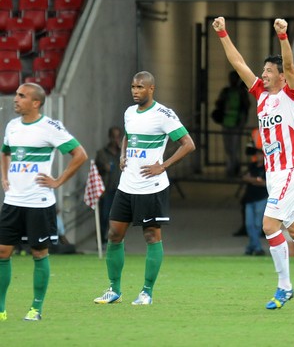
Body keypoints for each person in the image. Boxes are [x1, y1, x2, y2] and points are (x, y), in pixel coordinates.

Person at [213, 16, 294, 310]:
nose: (264, 74)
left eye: (270, 70)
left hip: (292, 171)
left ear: (282, 75)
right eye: (264, 70)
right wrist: (223, 33)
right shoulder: (260, 95)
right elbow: (239, 64)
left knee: (268, 223)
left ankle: (284, 286)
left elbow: (291, 66)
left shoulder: (292, 93)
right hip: (274, 175)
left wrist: (283, 38)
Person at [93, 71, 195, 306]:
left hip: (152, 186)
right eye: (132, 87)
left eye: (140, 87)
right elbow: (128, 136)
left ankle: (146, 292)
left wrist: (164, 165)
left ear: (151, 89)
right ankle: (114, 289)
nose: (135, 91)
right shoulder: (129, 112)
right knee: (114, 234)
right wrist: (121, 153)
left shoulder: (164, 114)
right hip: (127, 185)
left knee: (151, 236)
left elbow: (188, 144)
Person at [0, 82, 88, 321]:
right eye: (16, 95)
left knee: (39, 253)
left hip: (38, 203)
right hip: (13, 201)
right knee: (2, 251)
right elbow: (5, 151)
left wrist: (59, 181)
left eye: (21, 96)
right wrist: (4, 177)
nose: (15, 99)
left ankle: (36, 308)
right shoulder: (12, 126)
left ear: (36, 102)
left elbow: (80, 154)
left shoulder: (51, 127)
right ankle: (1, 310)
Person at [215, 70, 250, 177]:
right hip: (226, 122)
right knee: (228, 147)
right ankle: (231, 167)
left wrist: (242, 121)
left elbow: (246, 106)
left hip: (236, 123)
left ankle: (234, 168)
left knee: (234, 147)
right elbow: (218, 103)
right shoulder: (226, 91)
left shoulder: (241, 92)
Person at [95, 126, 122, 243]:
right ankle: (101, 240)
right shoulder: (102, 153)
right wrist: (103, 167)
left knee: (120, 217)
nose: (115, 140)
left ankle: (117, 240)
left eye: (117, 137)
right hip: (106, 190)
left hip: (120, 190)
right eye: (113, 137)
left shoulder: (123, 152)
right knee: (104, 216)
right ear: (109, 137)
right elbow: (96, 171)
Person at [241, 143, 267, 256]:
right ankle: (256, 247)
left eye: (261, 154)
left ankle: (252, 247)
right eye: (257, 154)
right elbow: (245, 177)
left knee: (257, 225)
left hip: (261, 198)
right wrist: (256, 180)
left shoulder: (267, 168)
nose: (259, 156)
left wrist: (253, 180)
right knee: (249, 225)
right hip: (250, 198)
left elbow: (265, 183)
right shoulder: (252, 166)